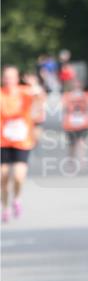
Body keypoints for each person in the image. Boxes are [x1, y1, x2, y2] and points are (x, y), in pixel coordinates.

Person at [0, 66, 36, 222]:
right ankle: (5, 207)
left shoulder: (25, 92)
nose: (9, 80)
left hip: (22, 141)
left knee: (19, 177)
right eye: (6, 77)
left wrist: (34, 86)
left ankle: (17, 199)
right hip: (3, 141)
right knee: (3, 176)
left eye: (11, 77)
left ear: (17, 78)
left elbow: (39, 97)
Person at [61, 78, 88, 165]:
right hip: (71, 123)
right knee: (72, 143)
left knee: (81, 142)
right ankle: (72, 159)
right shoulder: (67, 96)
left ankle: (82, 159)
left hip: (82, 123)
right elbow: (65, 108)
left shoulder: (85, 95)